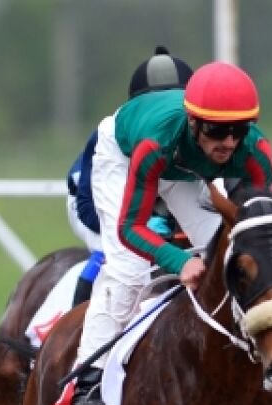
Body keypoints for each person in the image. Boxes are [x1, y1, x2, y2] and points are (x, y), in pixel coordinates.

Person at [63, 60, 272, 405]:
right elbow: (131, 228)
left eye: (238, 131)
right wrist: (177, 260)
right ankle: (88, 380)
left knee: (226, 251)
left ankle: (254, 354)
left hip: (182, 162)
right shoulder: (154, 144)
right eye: (217, 131)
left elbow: (261, 231)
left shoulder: (255, 152)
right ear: (194, 123)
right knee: (129, 269)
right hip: (127, 153)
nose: (228, 143)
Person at [65, 45, 193, 307]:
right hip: (91, 204)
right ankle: (75, 332)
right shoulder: (112, 134)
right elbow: (88, 205)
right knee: (119, 259)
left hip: (155, 210)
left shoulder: (194, 130)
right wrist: (149, 230)